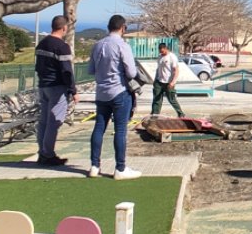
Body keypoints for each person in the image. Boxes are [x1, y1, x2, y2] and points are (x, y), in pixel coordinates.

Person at [87, 14, 141, 180]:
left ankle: (94, 166)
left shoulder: (97, 45)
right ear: (123, 28)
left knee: (99, 127)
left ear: (108, 27)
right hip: (119, 91)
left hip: (101, 92)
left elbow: (90, 70)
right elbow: (131, 72)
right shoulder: (122, 45)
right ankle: (120, 168)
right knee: (120, 130)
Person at [34, 15, 77, 166]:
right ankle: (48, 154)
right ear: (64, 28)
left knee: (44, 122)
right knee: (54, 122)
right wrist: (73, 90)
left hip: (43, 86)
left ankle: (42, 152)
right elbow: (66, 71)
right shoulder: (61, 47)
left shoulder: (41, 44)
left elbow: (38, 67)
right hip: (57, 88)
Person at [152, 42, 185, 118]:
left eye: (163, 51)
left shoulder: (172, 57)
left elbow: (176, 70)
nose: (162, 53)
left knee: (171, 99)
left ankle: (181, 114)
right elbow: (158, 69)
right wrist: (155, 79)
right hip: (159, 81)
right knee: (156, 99)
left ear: (166, 48)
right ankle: (154, 116)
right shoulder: (159, 57)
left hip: (169, 82)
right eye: (160, 51)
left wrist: (173, 82)